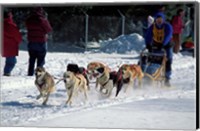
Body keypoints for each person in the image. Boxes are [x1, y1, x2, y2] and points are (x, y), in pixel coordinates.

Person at [145, 12, 173, 87]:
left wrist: (163, 44)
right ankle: (150, 75)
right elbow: (148, 35)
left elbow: (168, 35)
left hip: (166, 45)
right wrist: (148, 44)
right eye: (157, 19)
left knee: (168, 60)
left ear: (163, 20)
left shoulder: (167, 26)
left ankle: (167, 78)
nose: (159, 21)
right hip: (156, 45)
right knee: (154, 59)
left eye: (160, 19)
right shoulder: (152, 27)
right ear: (155, 20)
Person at [26, 7, 52, 76]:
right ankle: (39, 74)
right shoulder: (43, 20)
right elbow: (49, 29)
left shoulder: (29, 20)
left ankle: (30, 73)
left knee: (32, 59)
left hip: (31, 42)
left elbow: (27, 26)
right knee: (40, 59)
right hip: (41, 42)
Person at [2, 9, 22, 76]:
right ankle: (6, 73)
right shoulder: (11, 25)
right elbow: (17, 36)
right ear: (9, 16)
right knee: (11, 62)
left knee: (10, 60)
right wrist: (18, 41)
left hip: (4, 45)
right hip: (10, 46)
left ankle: (7, 72)